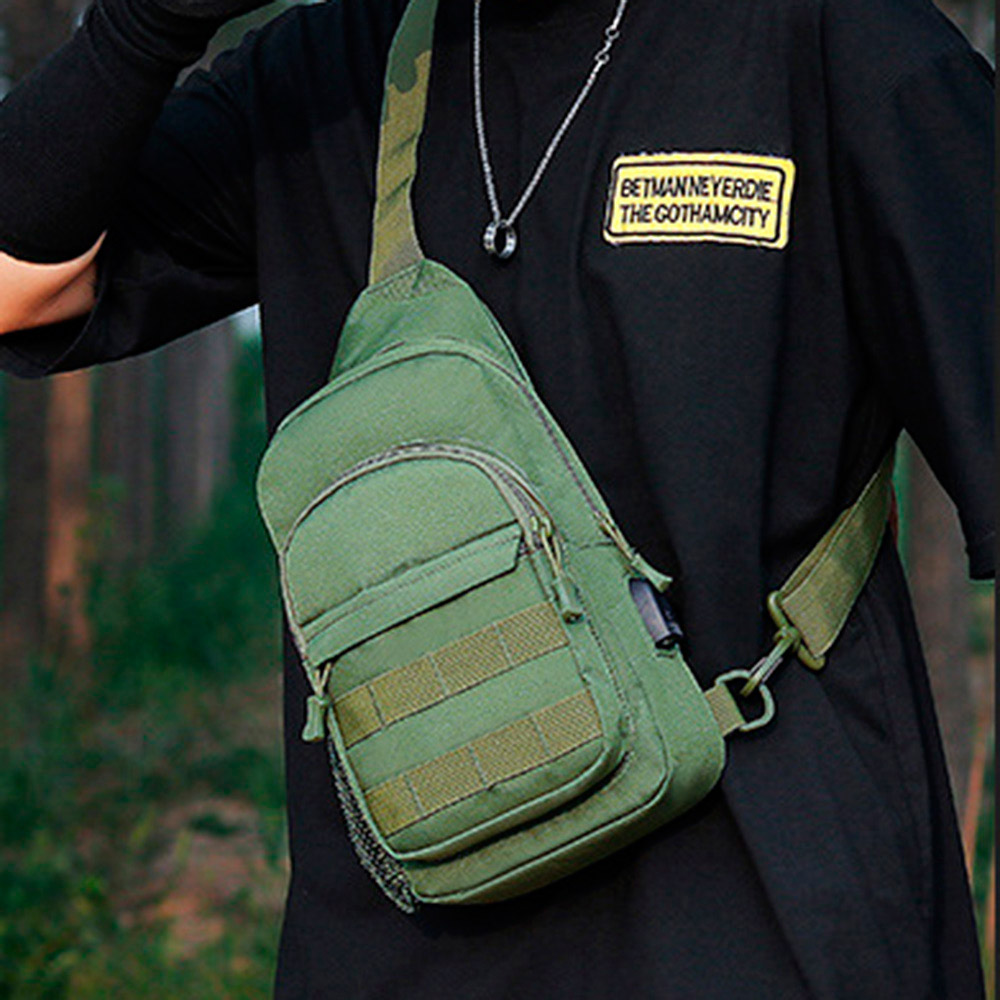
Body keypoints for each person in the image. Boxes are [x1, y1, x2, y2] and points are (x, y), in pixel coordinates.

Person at [0, 0, 993, 995]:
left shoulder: (834, 44)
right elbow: (18, 289)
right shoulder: (325, 73)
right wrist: (146, 27)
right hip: (406, 941)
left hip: (770, 927)